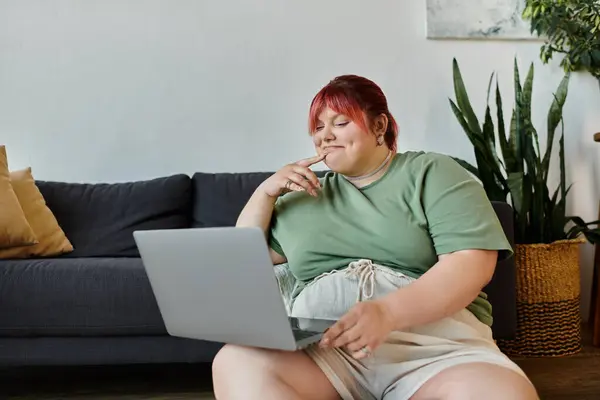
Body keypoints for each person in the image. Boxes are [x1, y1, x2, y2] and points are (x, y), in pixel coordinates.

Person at [211, 75, 539, 400]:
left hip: (434, 349)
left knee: (500, 394)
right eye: (317, 127)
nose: (325, 136)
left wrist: (387, 312)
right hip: (326, 354)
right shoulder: (300, 198)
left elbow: (470, 265)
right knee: (236, 361)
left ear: (380, 126)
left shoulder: (433, 173)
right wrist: (264, 193)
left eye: (339, 123)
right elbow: (244, 265)